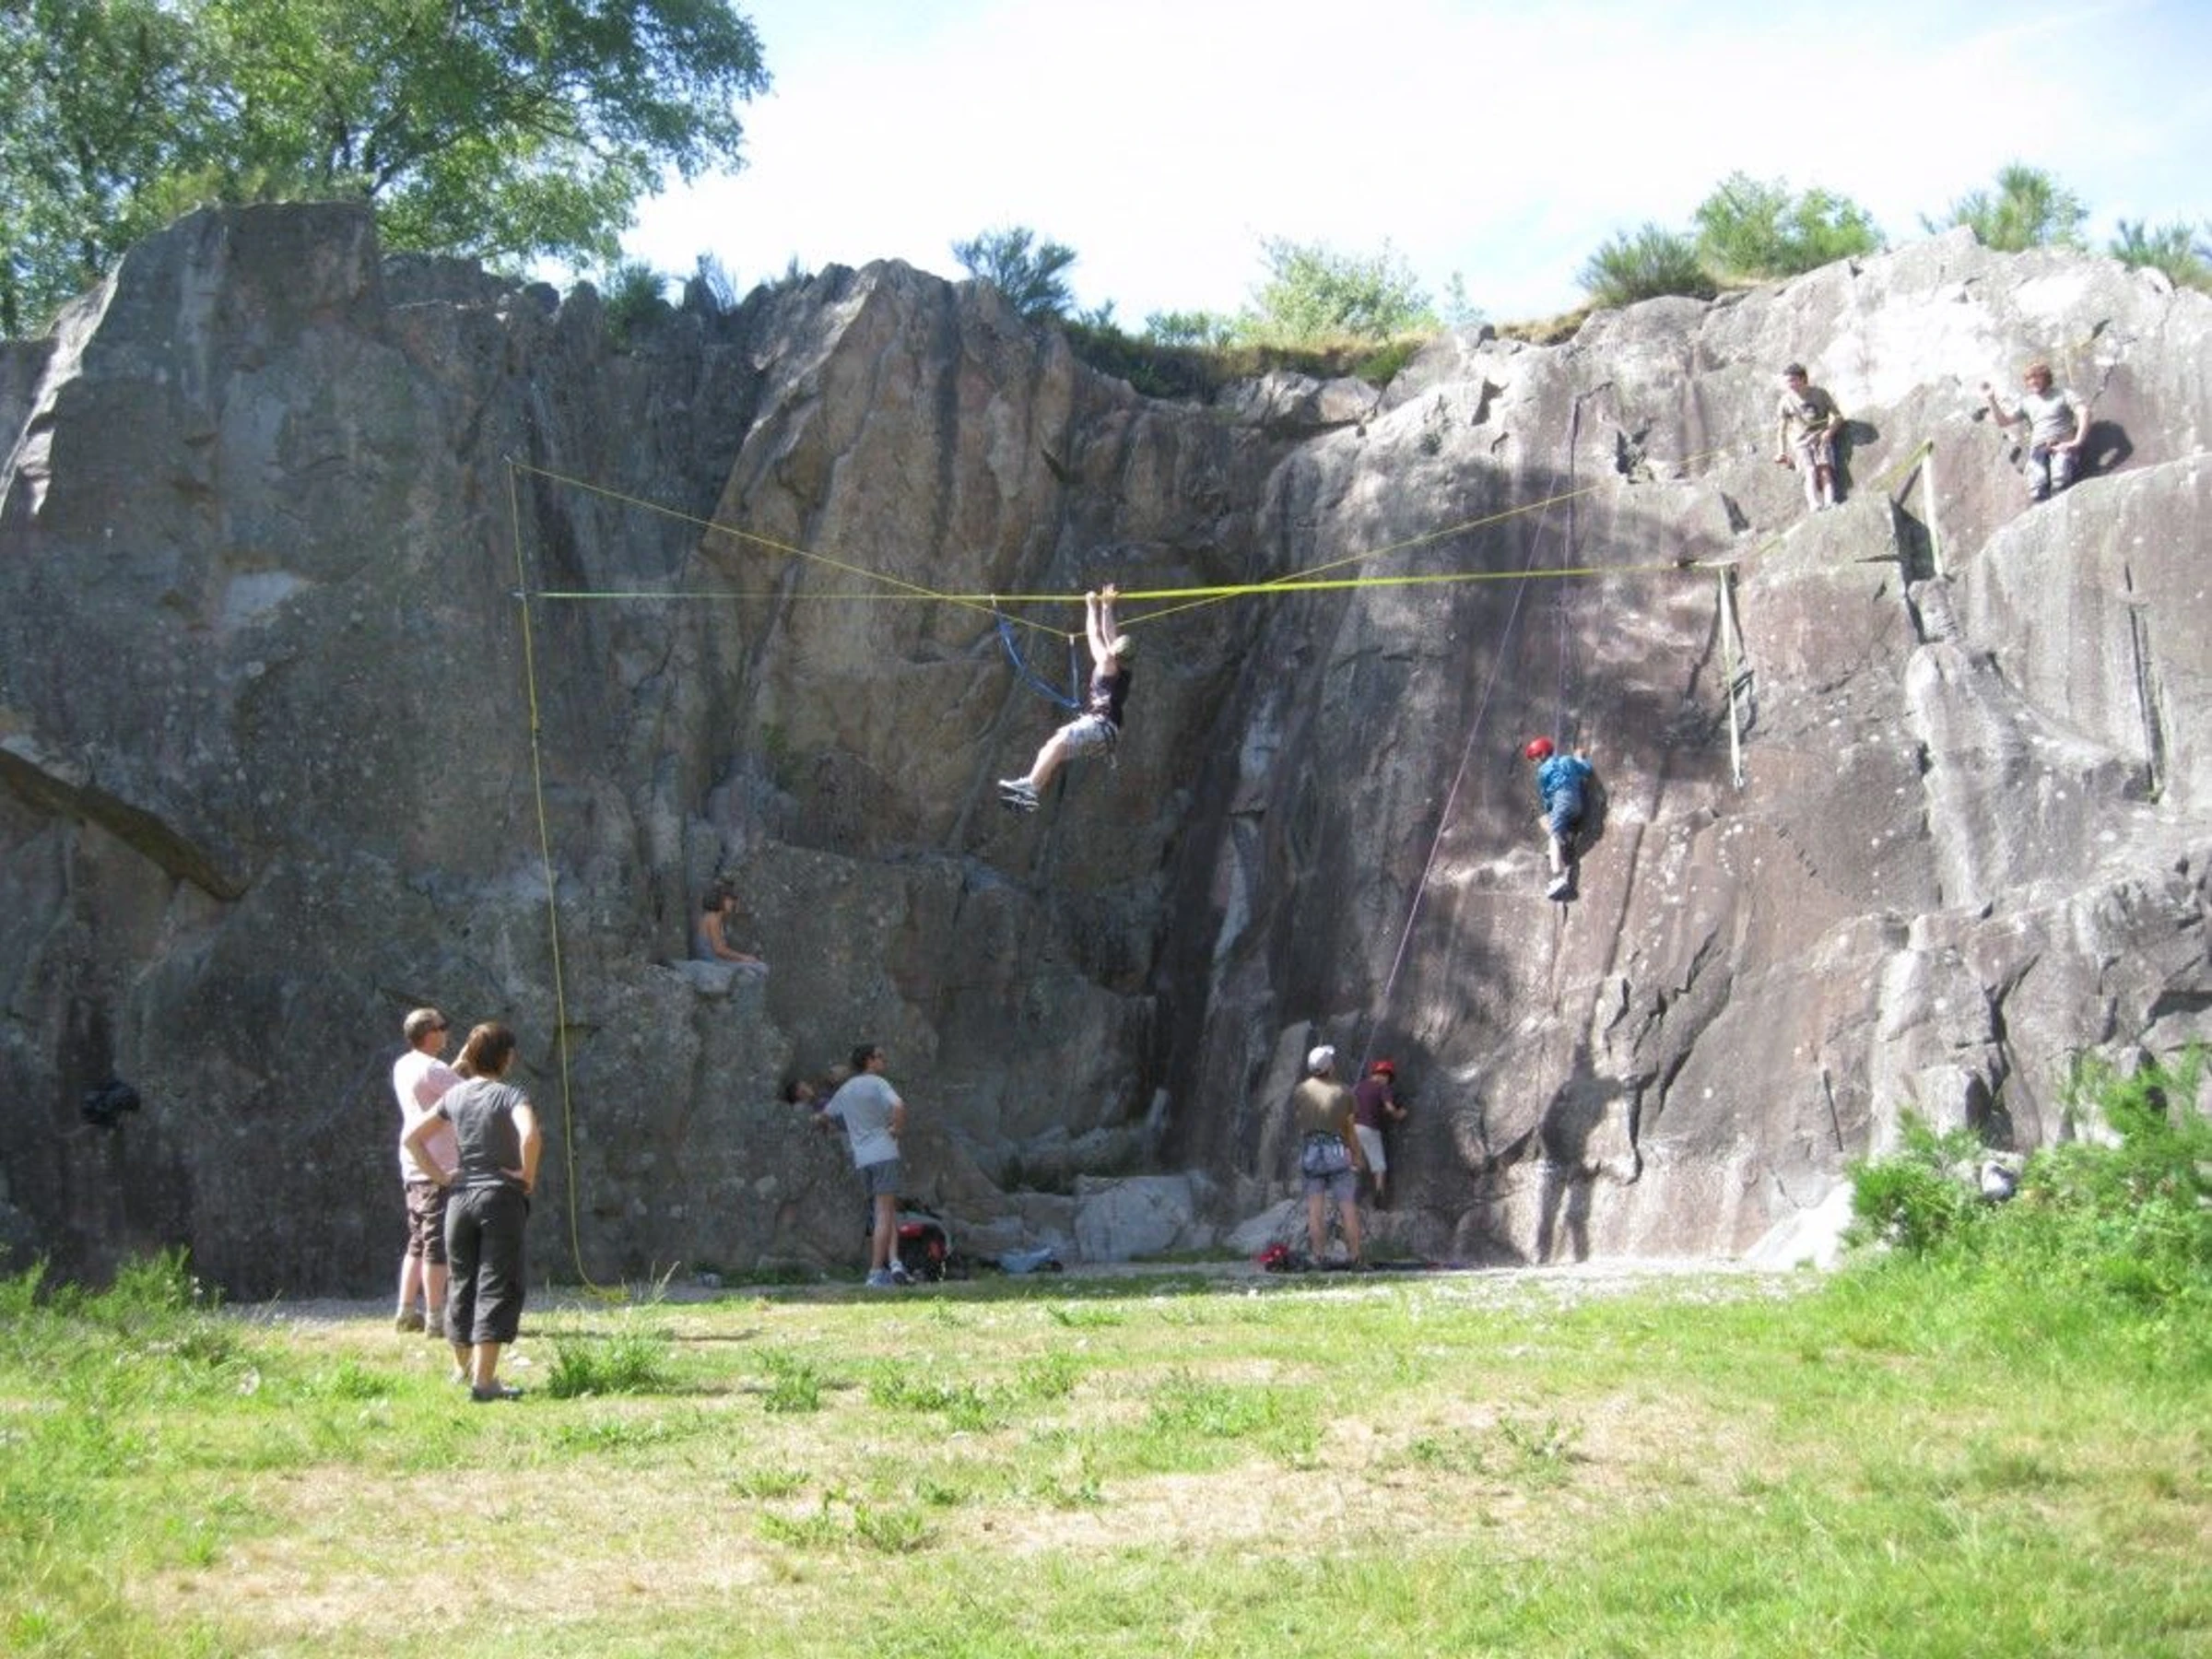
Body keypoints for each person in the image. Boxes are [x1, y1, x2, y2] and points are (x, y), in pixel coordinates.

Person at [404, 1021, 541, 1402]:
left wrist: (441, 1177)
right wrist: (526, 1176)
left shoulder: (455, 1096)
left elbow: (412, 1139)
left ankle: (461, 1370)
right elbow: (530, 1135)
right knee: (497, 1282)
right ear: (507, 1057)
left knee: (462, 1282)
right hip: (499, 1198)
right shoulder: (511, 1095)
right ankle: (484, 1382)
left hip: (459, 1199)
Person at [998, 583, 1134, 813]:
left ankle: (1030, 787)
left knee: (1057, 743)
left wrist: (1091, 606)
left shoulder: (1106, 662)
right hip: (1106, 736)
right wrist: (1106, 606)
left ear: (1114, 652)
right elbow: (1110, 636)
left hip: (1099, 726)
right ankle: (1030, 793)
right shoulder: (1124, 671)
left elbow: (1095, 635)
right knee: (1054, 749)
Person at [390, 1007, 459, 1336]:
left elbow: (440, 1088)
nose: (446, 1031)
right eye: (443, 1027)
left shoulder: (404, 1064)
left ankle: (405, 1312)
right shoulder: (435, 1069)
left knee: (417, 1241)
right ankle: (435, 1318)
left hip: (413, 1165)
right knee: (437, 1245)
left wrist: (457, 1065)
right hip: (439, 1166)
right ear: (430, 1034)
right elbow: (467, 1094)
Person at [818, 1041, 909, 1287]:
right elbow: (899, 1105)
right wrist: (896, 1128)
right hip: (884, 1153)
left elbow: (824, 1115)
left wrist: (826, 1126)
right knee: (884, 1213)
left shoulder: (845, 1090)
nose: (884, 1060)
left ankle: (895, 1264)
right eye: (880, 1056)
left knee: (884, 1211)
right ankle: (876, 1272)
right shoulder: (879, 1083)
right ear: (869, 1060)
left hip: (863, 1159)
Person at [1290, 1045, 1366, 1267]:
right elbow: (1350, 1130)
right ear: (1330, 1066)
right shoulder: (1344, 1092)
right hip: (1337, 1152)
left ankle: (1318, 1256)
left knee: (1315, 1209)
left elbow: (1300, 1120)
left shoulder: (1301, 1091)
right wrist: (1357, 1155)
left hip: (1311, 1152)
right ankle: (1355, 1257)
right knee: (1347, 1207)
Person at [1982, 362, 2089, 502]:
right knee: (2037, 487)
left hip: (2061, 443)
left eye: (2037, 377)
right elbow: (2004, 421)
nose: (2033, 381)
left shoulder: (2063, 394)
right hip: (2038, 448)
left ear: (2046, 377)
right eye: (2029, 379)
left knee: (2060, 477)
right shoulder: (2026, 403)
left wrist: (2077, 441)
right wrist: (1991, 399)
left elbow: (2084, 412)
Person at [1524, 737, 1595, 901]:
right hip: (1577, 805)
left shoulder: (1543, 771)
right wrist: (1580, 758)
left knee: (1553, 835)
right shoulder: (1568, 760)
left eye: (1535, 758)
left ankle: (1558, 878)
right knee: (1562, 826)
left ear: (1542, 754)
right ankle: (1563, 842)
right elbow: (1586, 769)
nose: (1535, 763)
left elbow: (1547, 798)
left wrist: (1551, 812)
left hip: (1561, 801)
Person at [1773, 363, 1843, 513]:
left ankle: (1830, 502)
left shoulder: (1820, 394)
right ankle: (1814, 505)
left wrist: (1829, 432)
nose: (1790, 385)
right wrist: (1781, 452)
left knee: (1825, 470)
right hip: (1801, 442)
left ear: (1803, 379)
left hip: (1821, 438)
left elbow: (1838, 417)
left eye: (1793, 380)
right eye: (1787, 382)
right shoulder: (1785, 401)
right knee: (1810, 470)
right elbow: (1782, 430)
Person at [1350, 1058, 1408, 1207]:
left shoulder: (1359, 1086)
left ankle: (1347, 1195)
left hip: (1352, 1128)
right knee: (1379, 1165)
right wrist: (1398, 1114)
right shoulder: (1383, 1087)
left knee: (1356, 1164)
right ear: (1385, 1076)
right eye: (1388, 1078)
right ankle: (1379, 1197)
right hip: (1368, 1129)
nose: (1388, 1081)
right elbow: (1389, 1107)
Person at [694, 885, 767, 971]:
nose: (732, 903)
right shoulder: (713, 918)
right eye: (729, 900)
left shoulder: (715, 917)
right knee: (760, 967)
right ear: (720, 900)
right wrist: (744, 957)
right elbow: (719, 949)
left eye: (732, 900)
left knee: (755, 964)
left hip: (715, 960)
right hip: (711, 962)